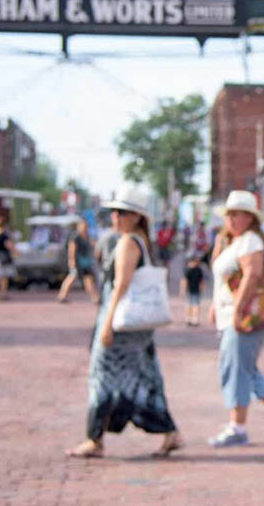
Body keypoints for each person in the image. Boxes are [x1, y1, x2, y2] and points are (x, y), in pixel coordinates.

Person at [67, 189, 181, 459]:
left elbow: (121, 285)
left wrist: (106, 324)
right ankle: (169, 432)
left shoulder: (128, 242)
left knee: (102, 377)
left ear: (136, 217)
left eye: (122, 213)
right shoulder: (141, 241)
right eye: (114, 212)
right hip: (136, 325)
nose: (115, 217)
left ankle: (94, 438)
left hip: (121, 321)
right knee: (145, 376)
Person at [207, 190, 264, 447]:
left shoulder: (250, 242)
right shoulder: (234, 242)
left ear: (249, 218)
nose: (231, 219)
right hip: (233, 314)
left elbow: (252, 275)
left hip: (246, 316)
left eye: (237, 214)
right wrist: (216, 305)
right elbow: (222, 280)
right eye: (229, 215)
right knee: (244, 366)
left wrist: (237, 310)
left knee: (235, 368)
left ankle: (238, 427)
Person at [57, 220, 100, 304]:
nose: (85, 227)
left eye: (86, 226)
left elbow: (92, 245)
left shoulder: (87, 236)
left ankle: (94, 297)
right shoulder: (75, 237)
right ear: (79, 226)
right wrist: (72, 261)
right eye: (83, 226)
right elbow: (71, 249)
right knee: (72, 278)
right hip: (77, 262)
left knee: (88, 279)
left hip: (86, 263)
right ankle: (62, 295)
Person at [181, 254, 205, 326]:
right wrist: (201, 289)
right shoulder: (199, 270)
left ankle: (189, 318)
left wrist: (183, 290)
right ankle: (195, 319)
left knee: (190, 305)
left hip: (189, 290)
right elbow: (202, 281)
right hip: (196, 290)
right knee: (196, 305)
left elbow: (184, 281)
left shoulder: (187, 270)